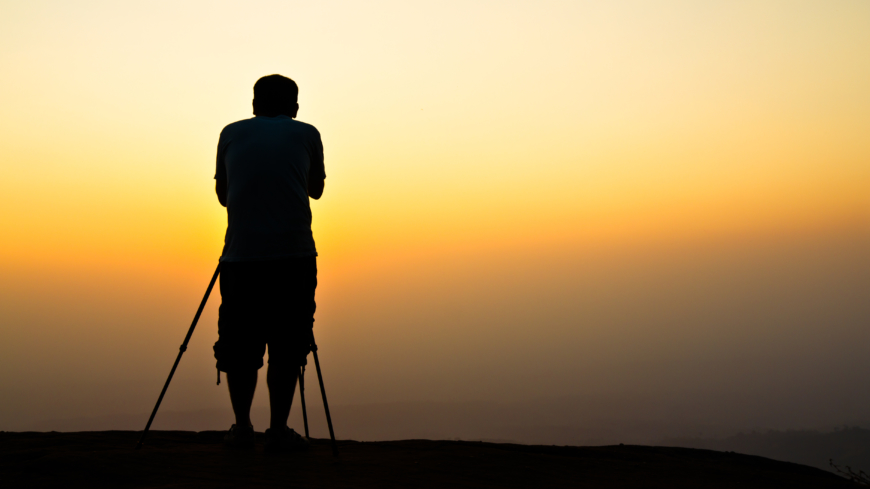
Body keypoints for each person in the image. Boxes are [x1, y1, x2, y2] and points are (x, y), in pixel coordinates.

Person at [213, 74, 325, 452]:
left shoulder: (230, 132)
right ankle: (278, 430)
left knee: (240, 343)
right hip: (293, 256)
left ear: (254, 104)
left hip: (241, 256)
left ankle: (242, 427)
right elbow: (317, 190)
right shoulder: (307, 133)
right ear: (293, 107)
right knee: (288, 343)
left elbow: (223, 196)